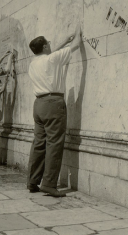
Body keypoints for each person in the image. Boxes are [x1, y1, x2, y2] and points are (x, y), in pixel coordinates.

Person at [27, 23, 82, 197]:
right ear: (44, 46)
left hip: (39, 105)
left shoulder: (33, 64)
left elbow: (51, 55)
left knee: (38, 143)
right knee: (54, 143)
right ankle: (49, 184)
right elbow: (77, 44)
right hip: (53, 103)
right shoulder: (51, 60)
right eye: (48, 43)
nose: (51, 45)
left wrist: (64, 40)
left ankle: (32, 181)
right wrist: (78, 28)